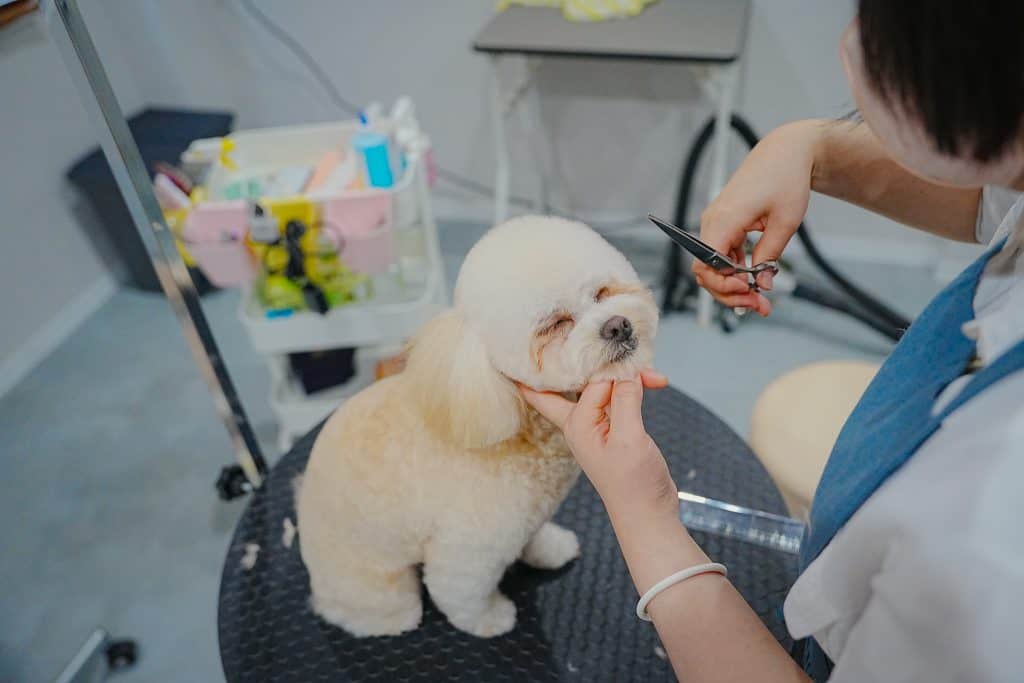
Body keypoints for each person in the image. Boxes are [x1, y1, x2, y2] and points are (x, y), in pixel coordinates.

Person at [520, 2, 1024, 681]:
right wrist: (810, 148)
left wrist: (643, 512)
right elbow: (995, 199)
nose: (850, 40)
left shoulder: (990, 543)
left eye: (878, 24)